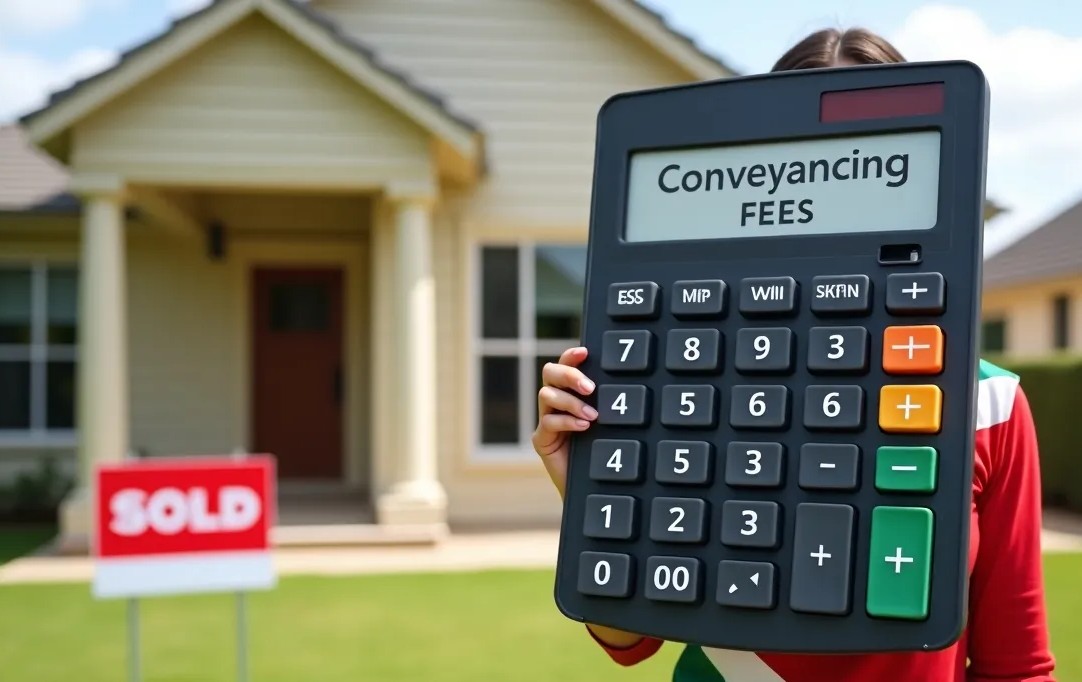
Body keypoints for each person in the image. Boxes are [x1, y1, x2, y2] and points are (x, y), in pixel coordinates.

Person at [532, 26, 1057, 682]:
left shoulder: (991, 406)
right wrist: (591, 495)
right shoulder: (689, 390)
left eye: (859, 170)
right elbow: (629, 636)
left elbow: (1017, 667)